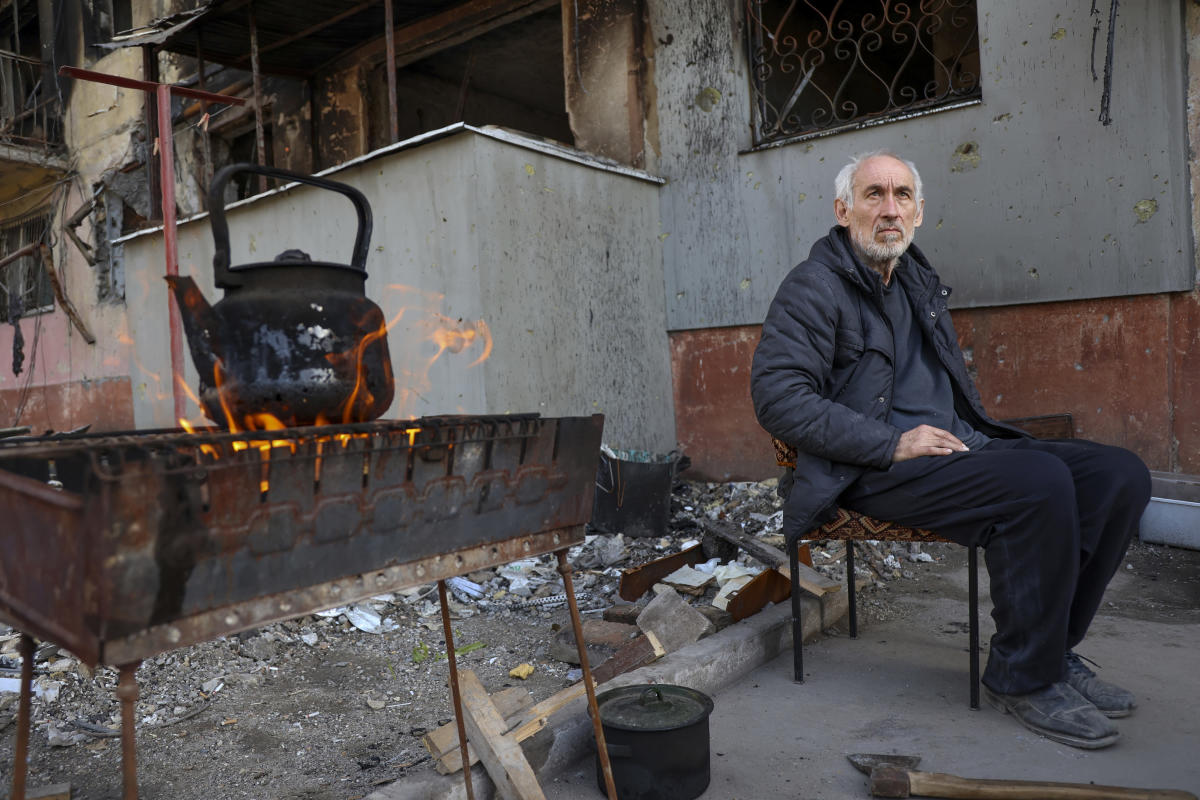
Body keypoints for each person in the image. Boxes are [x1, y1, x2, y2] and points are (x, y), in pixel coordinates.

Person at [749, 150, 1151, 750]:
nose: (890, 209)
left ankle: (1051, 651)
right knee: (1038, 482)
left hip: (955, 448)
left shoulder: (915, 278)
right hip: (869, 467)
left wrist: (973, 436)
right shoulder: (814, 287)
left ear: (918, 211)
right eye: (874, 195)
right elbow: (778, 397)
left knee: (1120, 476)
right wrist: (892, 442)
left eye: (902, 195)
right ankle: (1022, 678)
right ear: (843, 210)